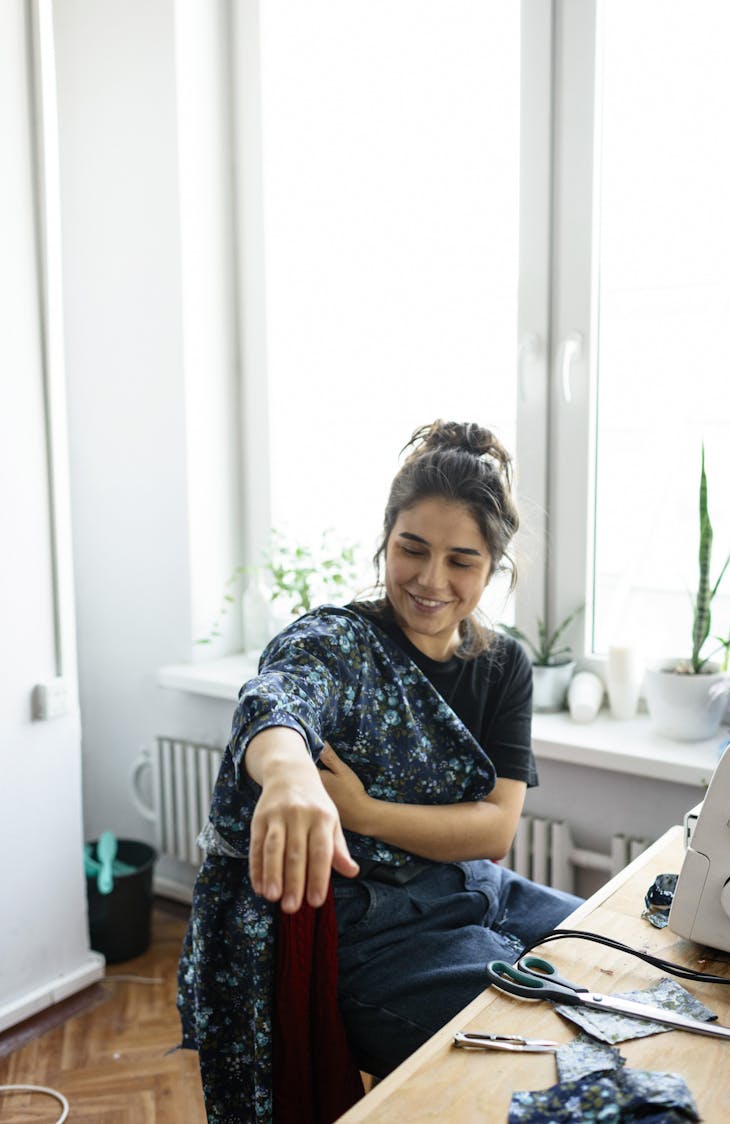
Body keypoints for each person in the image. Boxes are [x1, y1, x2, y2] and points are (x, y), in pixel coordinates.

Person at [178, 420, 582, 1123]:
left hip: (480, 888)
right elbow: (277, 699)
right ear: (385, 541)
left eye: (461, 560)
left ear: (493, 568)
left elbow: (494, 831)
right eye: (412, 549)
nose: (430, 580)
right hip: (374, 933)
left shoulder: (503, 665)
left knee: (617, 964)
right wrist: (292, 777)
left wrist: (358, 812)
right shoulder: (339, 643)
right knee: (537, 1049)